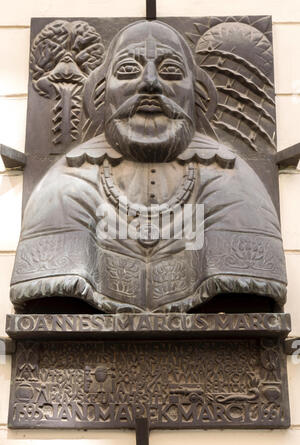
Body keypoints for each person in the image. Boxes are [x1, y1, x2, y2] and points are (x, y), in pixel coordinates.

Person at [10, 20, 287, 314]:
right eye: (129, 70)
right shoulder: (65, 184)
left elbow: (251, 294)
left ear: (196, 92)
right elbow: (45, 300)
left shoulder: (233, 180)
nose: (150, 82)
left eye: (171, 71)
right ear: (103, 92)